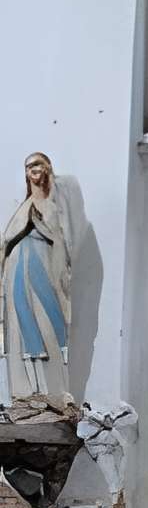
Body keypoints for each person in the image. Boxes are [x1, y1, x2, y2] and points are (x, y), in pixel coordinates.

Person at [2, 153, 73, 411]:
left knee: (50, 323)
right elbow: (7, 238)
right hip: (19, 268)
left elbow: (62, 238)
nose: (33, 169)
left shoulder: (53, 205)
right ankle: (29, 391)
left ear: (47, 169)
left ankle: (54, 389)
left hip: (44, 266)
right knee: (23, 324)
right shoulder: (25, 205)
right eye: (28, 165)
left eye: (37, 164)